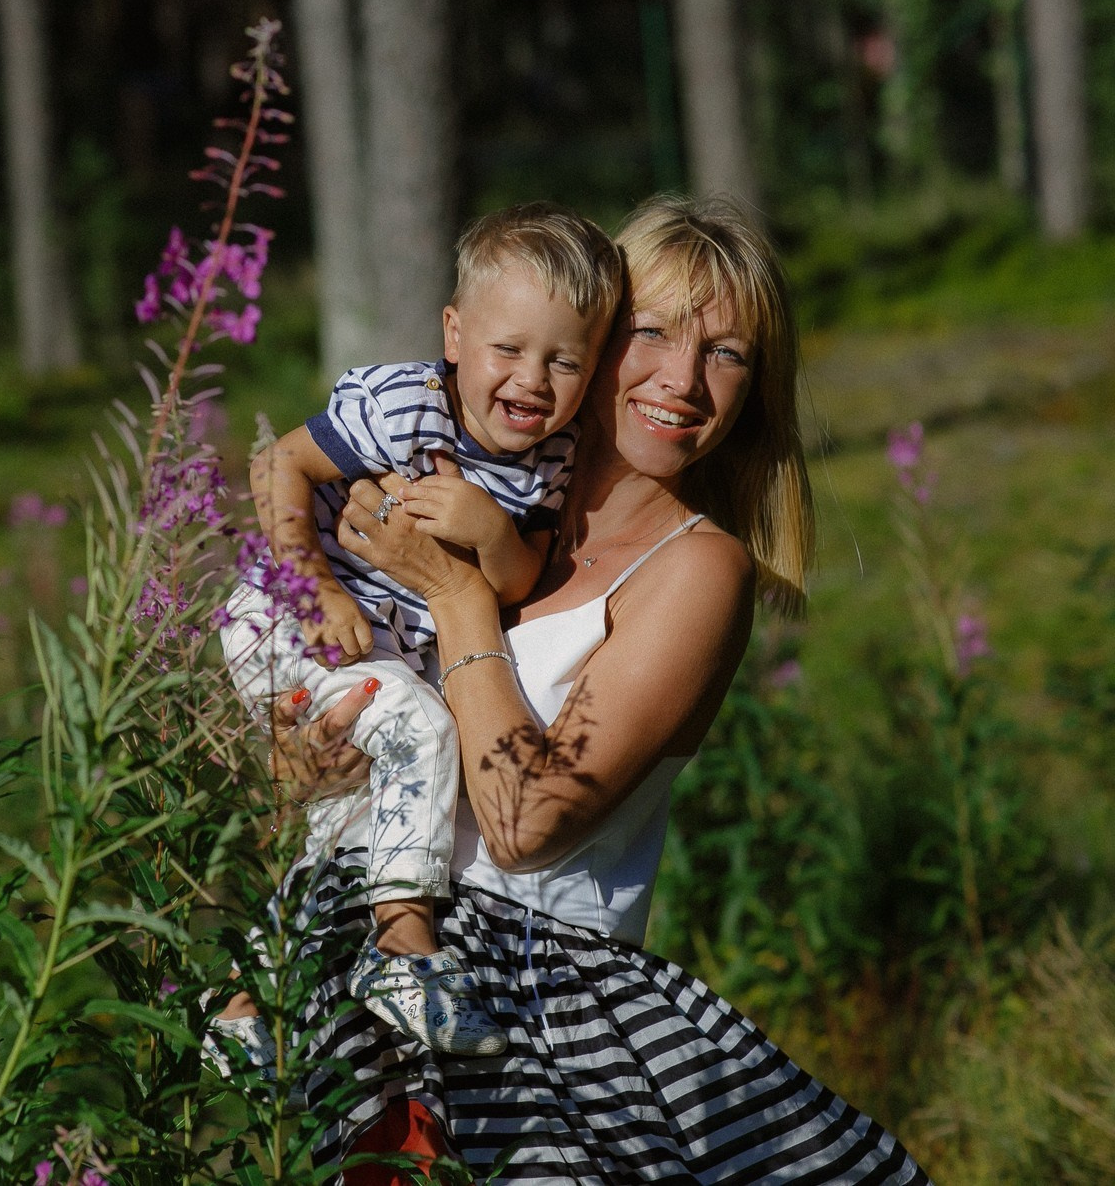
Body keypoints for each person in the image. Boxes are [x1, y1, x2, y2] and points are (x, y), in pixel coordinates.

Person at [272, 197, 932, 1183]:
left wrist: (456, 596)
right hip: (351, 954)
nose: (681, 379)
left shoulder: (694, 570)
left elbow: (524, 821)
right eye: (652, 334)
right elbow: (320, 749)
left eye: (727, 354)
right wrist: (303, 749)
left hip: (528, 1007)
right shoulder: (466, 483)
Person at [213, 205, 623, 1065]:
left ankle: (247, 1000)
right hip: (285, 617)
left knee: (358, 810)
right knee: (424, 730)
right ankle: (404, 952)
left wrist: (486, 527)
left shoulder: (551, 456)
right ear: (454, 332)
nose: (533, 380)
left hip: (377, 646)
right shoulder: (406, 407)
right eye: (508, 349)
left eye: (565, 361)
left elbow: (512, 580)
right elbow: (277, 462)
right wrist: (316, 588)